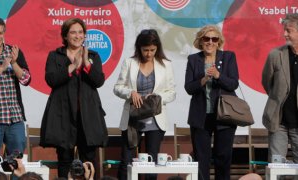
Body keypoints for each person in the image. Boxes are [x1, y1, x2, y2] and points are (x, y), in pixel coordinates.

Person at [39, 17, 108, 178]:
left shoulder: (93, 55)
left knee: (88, 159)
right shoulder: (55, 55)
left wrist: (86, 64)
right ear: (65, 36)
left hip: (87, 117)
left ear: (84, 35)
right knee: (65, 159)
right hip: (63, 116)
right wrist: (72, 67)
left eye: (80, 32)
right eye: (73, 32)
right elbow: (51, 79)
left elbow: (99, 81)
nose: (77, 36)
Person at [114, 29, 176, 180]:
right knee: (127, 160)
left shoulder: (166, 65)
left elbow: (172, 92)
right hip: (133, 119)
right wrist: (130, 93)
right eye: (145, 50)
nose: (149, 54)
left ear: (157, 48)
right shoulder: (130, 63)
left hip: (155, 119)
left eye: (152, 50)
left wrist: (157, 97)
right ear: (139, 48)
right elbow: (117, 87)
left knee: (152, 161)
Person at [184, 25, 239, 180]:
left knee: (223, 158)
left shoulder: (228, 57)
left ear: (219, 41)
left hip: (224, 116)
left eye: (214, 39)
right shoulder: (193, 59)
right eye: (206, 39)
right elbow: (188, 88)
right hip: (200, 117)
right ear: (200, 41)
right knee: (201, 160)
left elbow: (233, 84)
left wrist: (217, 75)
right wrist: (203, 79)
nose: (210, 42)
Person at [262, 13, 298, 164]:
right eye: (284, 30)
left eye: (289, 30)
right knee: (276, 166)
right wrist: (277, 96)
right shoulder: (275, 55)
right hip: (278, 122)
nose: (285, 34)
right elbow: (267, 82)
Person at [0, 17, 31, 155]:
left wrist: (14, 63)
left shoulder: (13, 52)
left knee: (17, 162)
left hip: (14, 118)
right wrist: (3, 67)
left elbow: (26, 79)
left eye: (0, 33)